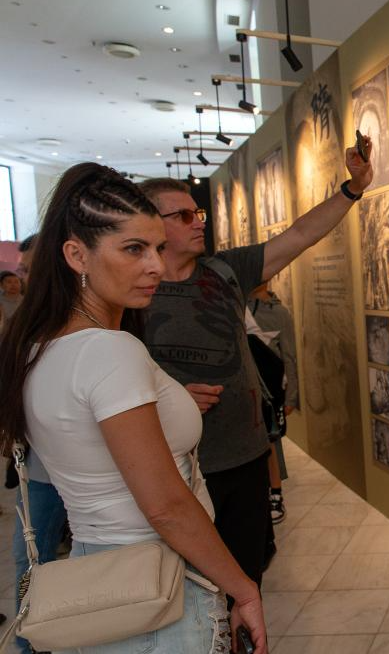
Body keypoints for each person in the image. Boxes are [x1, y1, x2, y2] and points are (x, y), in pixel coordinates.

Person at [0, 163, 267, 653]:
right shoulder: (108, 351)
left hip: (95, 572)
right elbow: (165, 506)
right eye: (134, 249)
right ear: (76, 255)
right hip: (156, 586)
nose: (157, 268)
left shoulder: (39, 347)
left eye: (159, 247)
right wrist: (242, 587)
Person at [137, 137, 372, 588]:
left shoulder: (226, 271)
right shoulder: (131, 294)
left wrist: (352, 189)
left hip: (242, 457)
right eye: (183, 216)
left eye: (198, 213)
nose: (197, 222)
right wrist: (168, 398)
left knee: (246, 579)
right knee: (184, 589)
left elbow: (300, 236)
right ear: (150, 225)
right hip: (175, 468)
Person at [9, 234, 70, 654]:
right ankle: (30, 646)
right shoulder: (24, 323)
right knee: (29, 563)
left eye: (28, 268)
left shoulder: (80, 321)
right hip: (41, 468)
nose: (20, 276)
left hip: (83, 468)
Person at [246, 282, 299, 524]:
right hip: (244, 386)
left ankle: (275, 493)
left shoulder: (279, 313)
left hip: (269, 386)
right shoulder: (237, 305)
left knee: (271, 440)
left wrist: (292, 397)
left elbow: (289, 355)